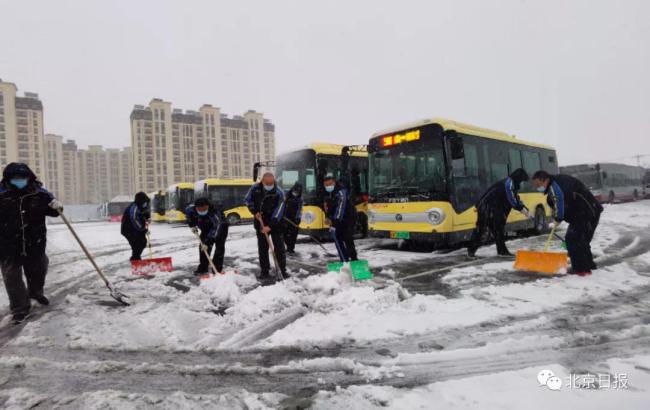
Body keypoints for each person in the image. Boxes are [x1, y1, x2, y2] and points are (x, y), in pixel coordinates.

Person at [0, 163, 62, 324]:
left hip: (34, 242)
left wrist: (57, 206)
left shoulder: (40, 194)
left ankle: (35, 293)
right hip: (7, 244)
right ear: (8, 179)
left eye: (23, 177)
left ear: (29, 177)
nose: (19, 180)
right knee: (12, 277)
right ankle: (20, 308)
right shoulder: (1, 194)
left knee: (39, 268)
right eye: (15, 178)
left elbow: (55, 211)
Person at [532, 170, 603, 276]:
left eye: (538, 184)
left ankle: (581, 270)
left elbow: (559, 200)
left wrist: (557, 218)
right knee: (581, 240)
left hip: (586, 212)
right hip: (587, 211)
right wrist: (557, 217)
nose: (537, 187)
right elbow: (562, 202)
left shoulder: (554, 186)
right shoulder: (557, 182)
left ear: (545, 180)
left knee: (573, 239)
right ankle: (588, 265)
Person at [467, 168, 529, 257]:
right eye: (522, 180)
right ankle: (471, 251)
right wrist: (522, 209)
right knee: (481, 229)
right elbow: (512, 199)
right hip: (487, 207)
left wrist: (525, 208)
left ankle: (502, 251)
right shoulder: (509, 183)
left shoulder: (511, 183)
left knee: (498, 230)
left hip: (492, 207)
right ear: (518, 178)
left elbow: (515, 198)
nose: (521, 183)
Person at [244, 172, 287, 282]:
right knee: (263, 248)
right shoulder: (255, 189)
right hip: (260, 221)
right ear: (262, 181)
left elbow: (279, 210)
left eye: (271, 183)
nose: (269, 185)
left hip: (276, 222)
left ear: (274, 181)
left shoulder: (279, 192)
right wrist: (254, 211)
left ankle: (282, 269)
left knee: (280, 248)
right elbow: (247, 200)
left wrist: (270, 226)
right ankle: (264, 271)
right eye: (267, 183)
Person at [185, 197, 229, 275]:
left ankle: (217, 269)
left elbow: (216, 226)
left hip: (221, 227)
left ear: (208, 206)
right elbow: (189, 217)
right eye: (200, 209)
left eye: (204, 209)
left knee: (219, 247)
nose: (202, 211)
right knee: (202, 247)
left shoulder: (214, 212)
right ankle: (203, 268)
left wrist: (208, 240)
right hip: (206, 227)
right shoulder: (191, 210)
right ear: (196, 207)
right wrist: (192, 225)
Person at [323, 175, 358, 262]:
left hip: (348, 219)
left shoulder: (341, 192)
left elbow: (340, 208)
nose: (328, 187)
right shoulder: (328, 194)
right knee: (337, 240)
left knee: (347, 239)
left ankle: (354, 260)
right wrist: (328, 217)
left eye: (330, 184)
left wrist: (335, 221)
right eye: (326, 185)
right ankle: (343, 260)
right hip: (337, 220)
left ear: (334, 183)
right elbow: (328, 208)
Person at [121, 192, 151, 261]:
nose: (145, 204)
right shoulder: (134, 207)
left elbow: (146, 211)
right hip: (128, 229)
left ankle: (135, 258)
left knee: (143, 242)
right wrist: (143, 229)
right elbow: (135, 219)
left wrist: (147, 217)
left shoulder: (142, 206)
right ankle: (135, 260)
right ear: (140, 201)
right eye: (144, 202)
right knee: (136, 245)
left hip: (137, 229)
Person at [283, 182, 303, 255]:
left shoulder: (300, 199)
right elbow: (281, 205)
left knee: (293, 235)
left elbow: (300, 209)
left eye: (298, 192)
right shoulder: (286, 194)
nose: (296, 193)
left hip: (294, 219)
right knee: (285, 234)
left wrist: (298, 218)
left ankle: (291, 248)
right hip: (285, 218)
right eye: (295, 191)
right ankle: (287, 246)